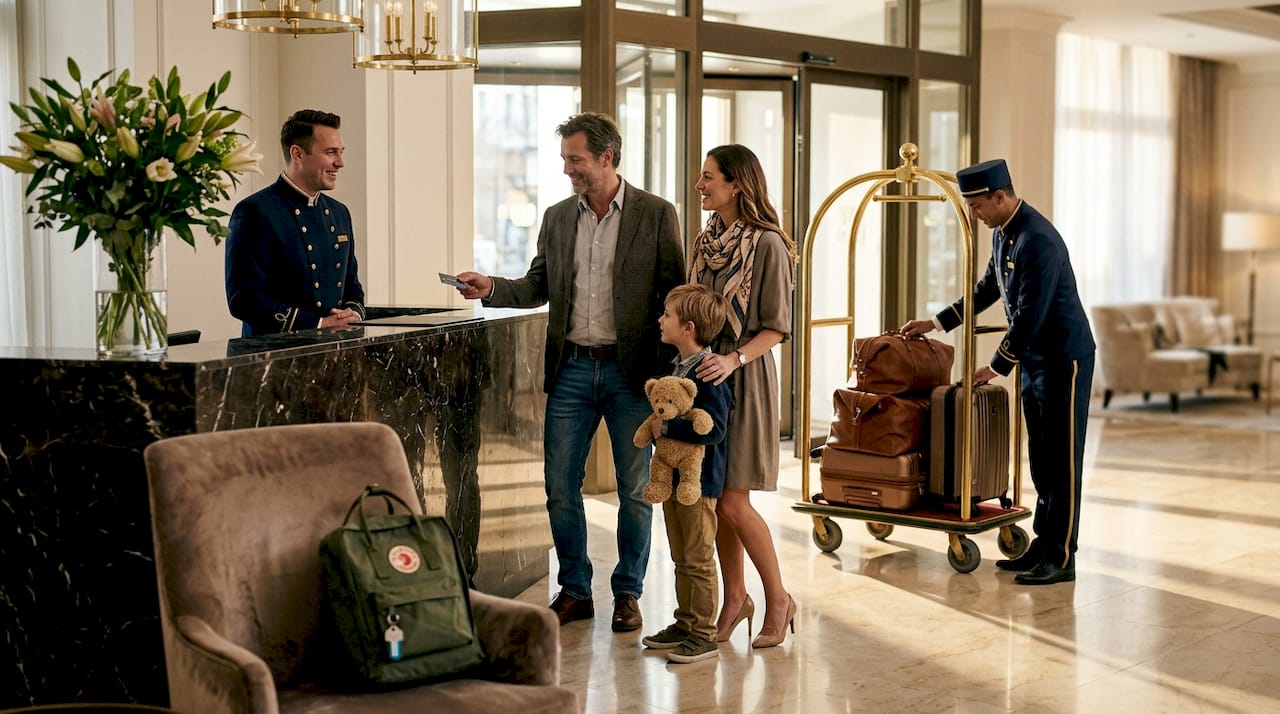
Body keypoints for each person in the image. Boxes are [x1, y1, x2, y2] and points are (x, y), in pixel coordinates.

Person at [454, 112, 686, 631]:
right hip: (572, 372)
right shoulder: (559, 217)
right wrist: (489, 287)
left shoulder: (656, 214)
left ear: (606, 157)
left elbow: (674, 297)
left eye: (575, 159)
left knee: (633, 489)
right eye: (564, 159)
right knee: (560, 487)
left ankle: (627, 593)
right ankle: (575, 590)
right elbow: (538, 284)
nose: (567, 170)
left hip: (633, 378)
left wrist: (670, 379)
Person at [900, 158, 1095, 586]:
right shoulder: (1004, 234)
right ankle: (1044, 545)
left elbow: (1029, 315)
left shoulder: (1037, 239)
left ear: (1000, 197)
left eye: (977, 206)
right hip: (1034, 359)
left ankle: (1062, 557)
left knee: (1062, 461)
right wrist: (935, 322)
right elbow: (988, 289)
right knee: (1042, 459)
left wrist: (994, 366)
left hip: (1064, 359)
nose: (973, 214)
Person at [689, 144, 797, 649]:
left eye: (709, 177)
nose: (701, 185)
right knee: (714, 500)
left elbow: (776, 327)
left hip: (745, 376)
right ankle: (737, 599)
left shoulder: (768, 245)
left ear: (737, 185)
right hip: (706, 378)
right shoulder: (704, 241)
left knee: (734, 501)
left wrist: (733, 359)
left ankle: (778, 598)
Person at [640, 284, 732, 664]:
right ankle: (685, 622)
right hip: (673, 484)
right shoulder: (677, 369)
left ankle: (705, 633)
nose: (660, 321)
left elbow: (715, 429)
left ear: (688, 327)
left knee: (698, 557)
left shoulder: (708, 374)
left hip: (699, 483)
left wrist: (667, 431)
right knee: (680, 556)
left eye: (667, 316)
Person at [226, 109, 365, 337]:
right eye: (331, 152)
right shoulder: (255, 211)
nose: (340, 162)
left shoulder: (340, 213)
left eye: (341, 152)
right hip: (273, 357)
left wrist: (353, 312)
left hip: (336, 352)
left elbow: (351, 282)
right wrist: (318, 324)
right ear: (298, 154)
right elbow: (243, 299)